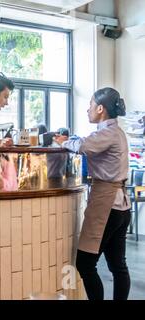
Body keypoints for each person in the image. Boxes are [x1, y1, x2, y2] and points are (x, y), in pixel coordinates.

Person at [55, 87, 131, 300]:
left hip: (107, 204)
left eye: (90, 105)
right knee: (118, 266)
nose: (87, 109)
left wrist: (62, 142)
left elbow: (83, 146)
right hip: (122, 205)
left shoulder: (107, 133)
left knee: (85, 263)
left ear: (100, 108)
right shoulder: (117, 132)